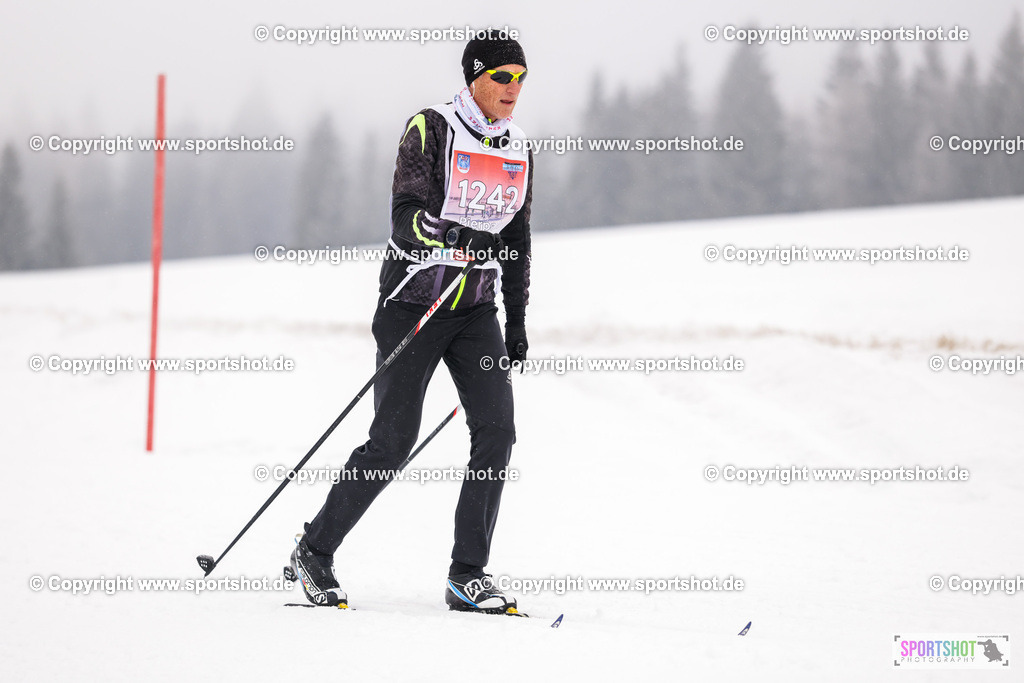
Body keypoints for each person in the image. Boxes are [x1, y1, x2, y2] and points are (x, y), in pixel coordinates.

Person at [289, 34, 533, 615]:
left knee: (497, 431)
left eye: (522, 78)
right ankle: (314, 551)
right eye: (502, 77)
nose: (513, 89)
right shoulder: (431, 128)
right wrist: (456, 235)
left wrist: (518, 319)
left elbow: (518, 238)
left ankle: (466, 574)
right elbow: (405, 221)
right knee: (392, 442)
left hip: (475, 311)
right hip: (413, 306)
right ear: (475, 77)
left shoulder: (519, 144)